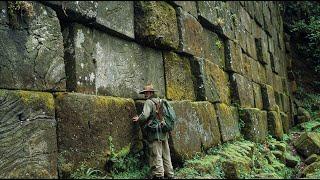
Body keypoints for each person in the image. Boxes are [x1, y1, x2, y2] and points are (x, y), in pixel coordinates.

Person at [132, 84, 174, 179]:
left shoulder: (149, 102)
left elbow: (145, 115)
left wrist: (138, 118)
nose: (145, 95)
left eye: (146, 93)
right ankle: (170, 174)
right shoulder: (160, 100)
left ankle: (159, 175)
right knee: (166, 154)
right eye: (144, 93)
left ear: (151, 92)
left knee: (156, 154)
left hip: (155, 133)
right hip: (164, 131)